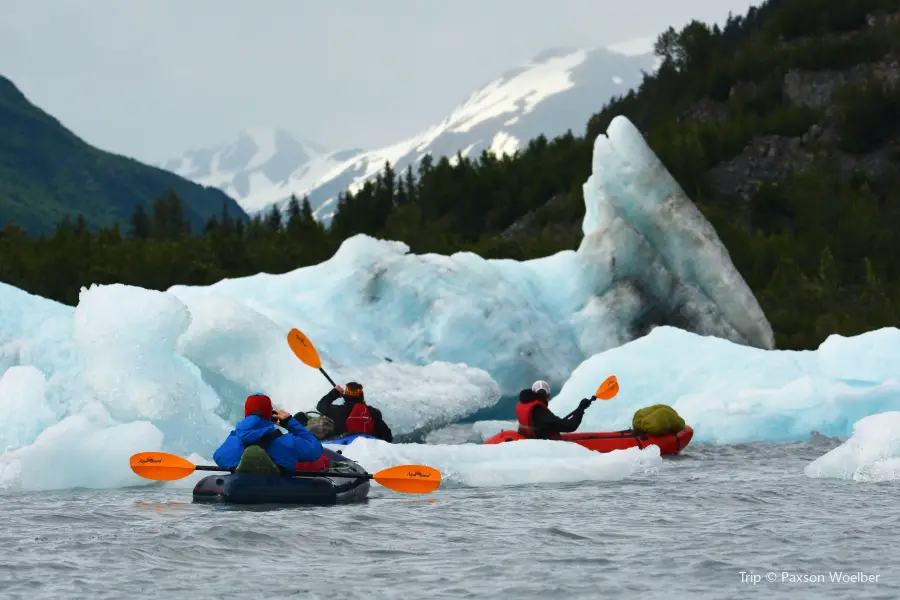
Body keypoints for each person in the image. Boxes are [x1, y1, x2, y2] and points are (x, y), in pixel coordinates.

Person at [213, 393, 330, 473]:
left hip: (240, 490)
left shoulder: (232, 442)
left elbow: (218, 458)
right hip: (279, 492)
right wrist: (289, 422)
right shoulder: (288, 443)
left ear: (246, 414)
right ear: (270, 415)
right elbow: (316, 449)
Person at [316, 381, 393, 442]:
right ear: (361, 396)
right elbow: (388, 437)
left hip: (342, 449)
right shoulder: (374, 413)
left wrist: (335, 392)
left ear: (345, 397)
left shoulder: (336, 411)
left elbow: (321, 406)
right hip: (368, 448)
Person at [516, 380, 592, 439]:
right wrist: (581, 409)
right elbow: (570, 426)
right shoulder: (540, 412)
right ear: (548, 396)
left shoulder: (526, 403)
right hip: (542, 443)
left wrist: (579, 408)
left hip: (531, 436)